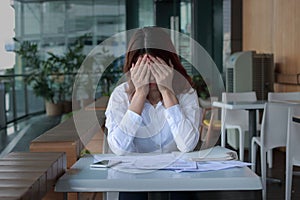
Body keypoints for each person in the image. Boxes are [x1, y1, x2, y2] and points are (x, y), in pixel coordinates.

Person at [104, 26, 201, 200]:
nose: (151, 77)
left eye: (157, 69)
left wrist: (167, 92)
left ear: (170, 65)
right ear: (132, 68)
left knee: (183, 193)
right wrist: (139, 95)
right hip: (135, 172)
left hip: (177, 172)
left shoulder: (186, 93)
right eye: (143, 70)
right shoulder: (120, 95)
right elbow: (118, 148)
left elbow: (187, 145)